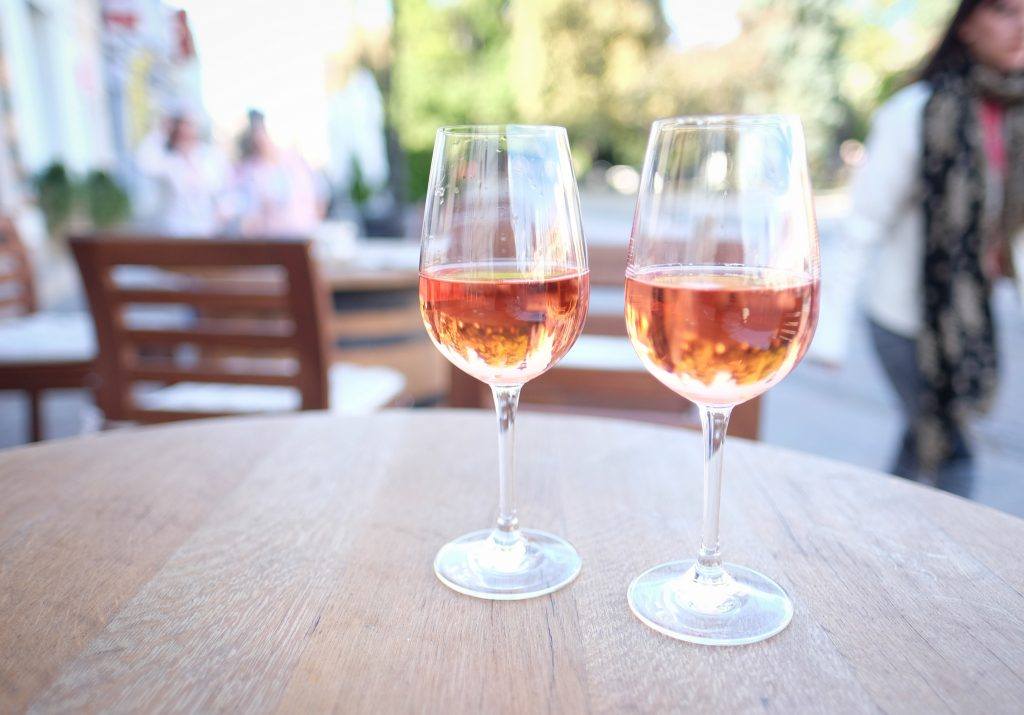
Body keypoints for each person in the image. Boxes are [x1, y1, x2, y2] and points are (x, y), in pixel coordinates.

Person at [843, 0, 1024, 496]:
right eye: (1006, 12)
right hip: (904, 320)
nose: (1021, 26)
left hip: (967, 318)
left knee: (918, 446)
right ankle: (951, 572)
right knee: (952, 455)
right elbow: (863, 223)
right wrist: (823, 331)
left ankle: (872, 543)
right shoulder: (919, 110)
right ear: (967, 25)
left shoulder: (1014, 118)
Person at [135, 114, 231, 236]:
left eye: (189, 130)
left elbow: (224, 191)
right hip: (176, 232)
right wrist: (160, 131)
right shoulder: (168, 162)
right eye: (180, 134)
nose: (185, 136)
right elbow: (143, 163)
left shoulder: (210, 158)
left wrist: (224, 209)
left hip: (207, 231)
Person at [233, 111, 324, 236]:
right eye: (256, 134)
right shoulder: (250, 170)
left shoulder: (296, 162)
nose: (261, 139)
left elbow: (319, 197)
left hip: (303, 237)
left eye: (263, 132)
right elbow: (249, 213)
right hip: (273, 242)